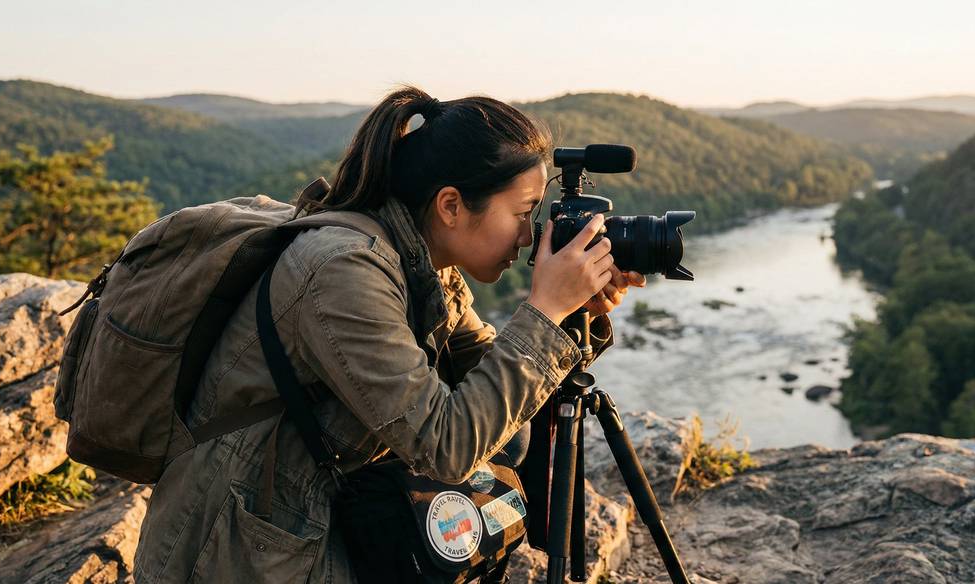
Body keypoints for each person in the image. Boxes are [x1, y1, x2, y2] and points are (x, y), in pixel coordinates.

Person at [132, 86, 645, 583]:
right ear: (450, 206)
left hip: (315, 517)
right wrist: (544, 310)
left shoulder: (425, 263)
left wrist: (569, 315)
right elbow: (445, 444)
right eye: (521, 213)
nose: (531, 235)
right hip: (238, 552)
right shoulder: (344, 271)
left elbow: (492, 384)